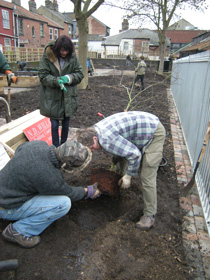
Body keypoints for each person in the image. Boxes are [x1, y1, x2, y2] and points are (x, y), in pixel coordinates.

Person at [0, 139, 101, 248]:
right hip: (6, 207)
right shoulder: (49, 176)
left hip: (5, 188)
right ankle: (18, 231)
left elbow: (19, 149)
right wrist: (88, 191)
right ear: (67, 165)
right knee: (63, 204)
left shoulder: (38, 144)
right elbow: (68, 193)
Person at [75, 111, 166, 231]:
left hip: (153, 131)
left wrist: (128, 176)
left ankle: (149, 215)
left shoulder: (107, 140)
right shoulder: (94, 130)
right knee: (120, 159)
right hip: (139, 130)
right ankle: (116, 188)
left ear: (95, 138)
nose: (93, 150)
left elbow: (135, 155)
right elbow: (121, 149)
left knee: (147, 174)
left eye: (92, 147)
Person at [38, 35, 84, 148]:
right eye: (62, 50)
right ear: (57, 48)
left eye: (66, 50)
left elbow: (80, 74)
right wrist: (56, 81)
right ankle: (55, 147)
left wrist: (69, 78)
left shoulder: (72, 58)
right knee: (54, 125)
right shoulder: (48, 57)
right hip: (52, 97)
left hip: (68, 96)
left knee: (66, 124)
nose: (64, 53)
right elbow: (43, 76)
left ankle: (63, 146)